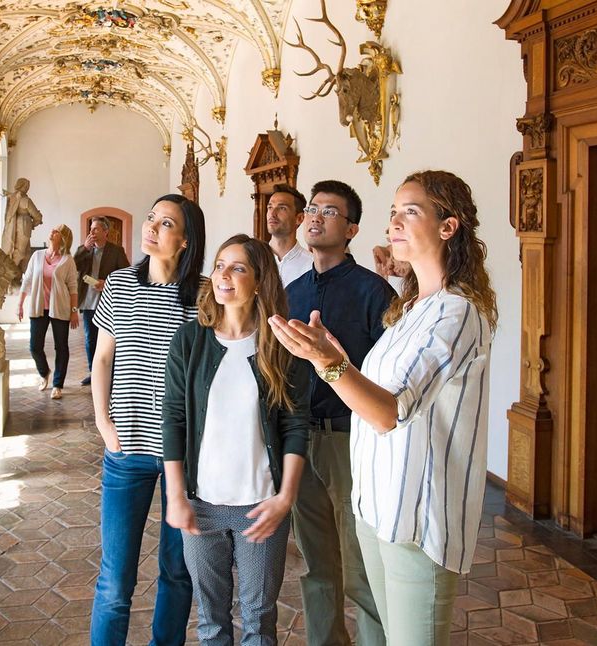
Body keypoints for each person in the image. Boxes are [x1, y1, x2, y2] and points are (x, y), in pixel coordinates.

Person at [270, 170, 497, 645]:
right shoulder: (412, 307)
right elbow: (377, 386)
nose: (393, 221)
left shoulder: (456, 312)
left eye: (409, 211)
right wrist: (339, 357)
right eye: (393, 212)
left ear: (448, 227)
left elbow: (388, 411)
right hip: (377, 502)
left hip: (417, 511)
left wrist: (327, 362)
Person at [162, 234, 310, 645]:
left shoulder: (282, 346)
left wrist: (285, 499)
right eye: (220, 265)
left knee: (259, 620)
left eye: (238, 267)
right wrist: (176, 496)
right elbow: (172, 419)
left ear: (260, 280)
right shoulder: (190, 340)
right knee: (210, 620)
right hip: (202, 503)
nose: (223, 275)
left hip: (260, 506)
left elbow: (296, 426)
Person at [90, 194, 206, 645]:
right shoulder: (120, 284)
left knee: (177, 573)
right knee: (115, 581)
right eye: (152, 218)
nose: (152, 226)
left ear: (185, 240)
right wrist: (104, 423)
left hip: (184, 455)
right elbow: (102, 359)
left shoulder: (203, 295)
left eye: (167, 222)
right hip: (127, 451)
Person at [284, 180, 394, 646]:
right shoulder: (290, 291)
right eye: (311, 208)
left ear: (351, 229)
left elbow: (388, 376)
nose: (315, 216)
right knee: (315, 563)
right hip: (300, 439)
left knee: (361, 563)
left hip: (352, 439)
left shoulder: (374, 292)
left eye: (329, 211)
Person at [17, 224, 79, 400]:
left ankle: (58, 384)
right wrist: (20, 303)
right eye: (53, 230)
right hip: (38, 307)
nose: (52, 232)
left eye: (56, 231)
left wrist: (74, 311)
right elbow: (27, 279)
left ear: (63, 238)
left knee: (61, 346)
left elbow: (73, 287)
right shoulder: (37, 256)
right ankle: (44, 372)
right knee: (34, 346)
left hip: (60, 308)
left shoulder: (68, 260)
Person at [74, 216, 129, 386]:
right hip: (89, 303)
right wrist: (84, 248)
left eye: (96, 229)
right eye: (91, 229)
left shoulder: (116, 251)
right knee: (91, 339)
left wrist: (106, 282)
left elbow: (126, 273)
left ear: (106, 232)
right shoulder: (83, 250)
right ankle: (94, 372)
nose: (92, 232)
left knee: (111, 340)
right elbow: (72, 267)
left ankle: (112, 374)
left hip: (109, 302)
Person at [266, 184, 312, 286]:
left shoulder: (312, 266)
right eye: (270, 207)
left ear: (299, 218)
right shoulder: (253, 259)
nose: (272, 214)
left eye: (282, 208)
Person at [2, 177, 43, 275]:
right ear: (23, 186)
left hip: (14, 227)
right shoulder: (25, 200)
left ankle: (19, 276)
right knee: (20, 252)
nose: (28, 188)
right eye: (27, 186)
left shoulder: (12, 198)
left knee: (25, 253)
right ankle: (9, 274)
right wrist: (35, 223)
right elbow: (37, 216)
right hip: (24, 227)